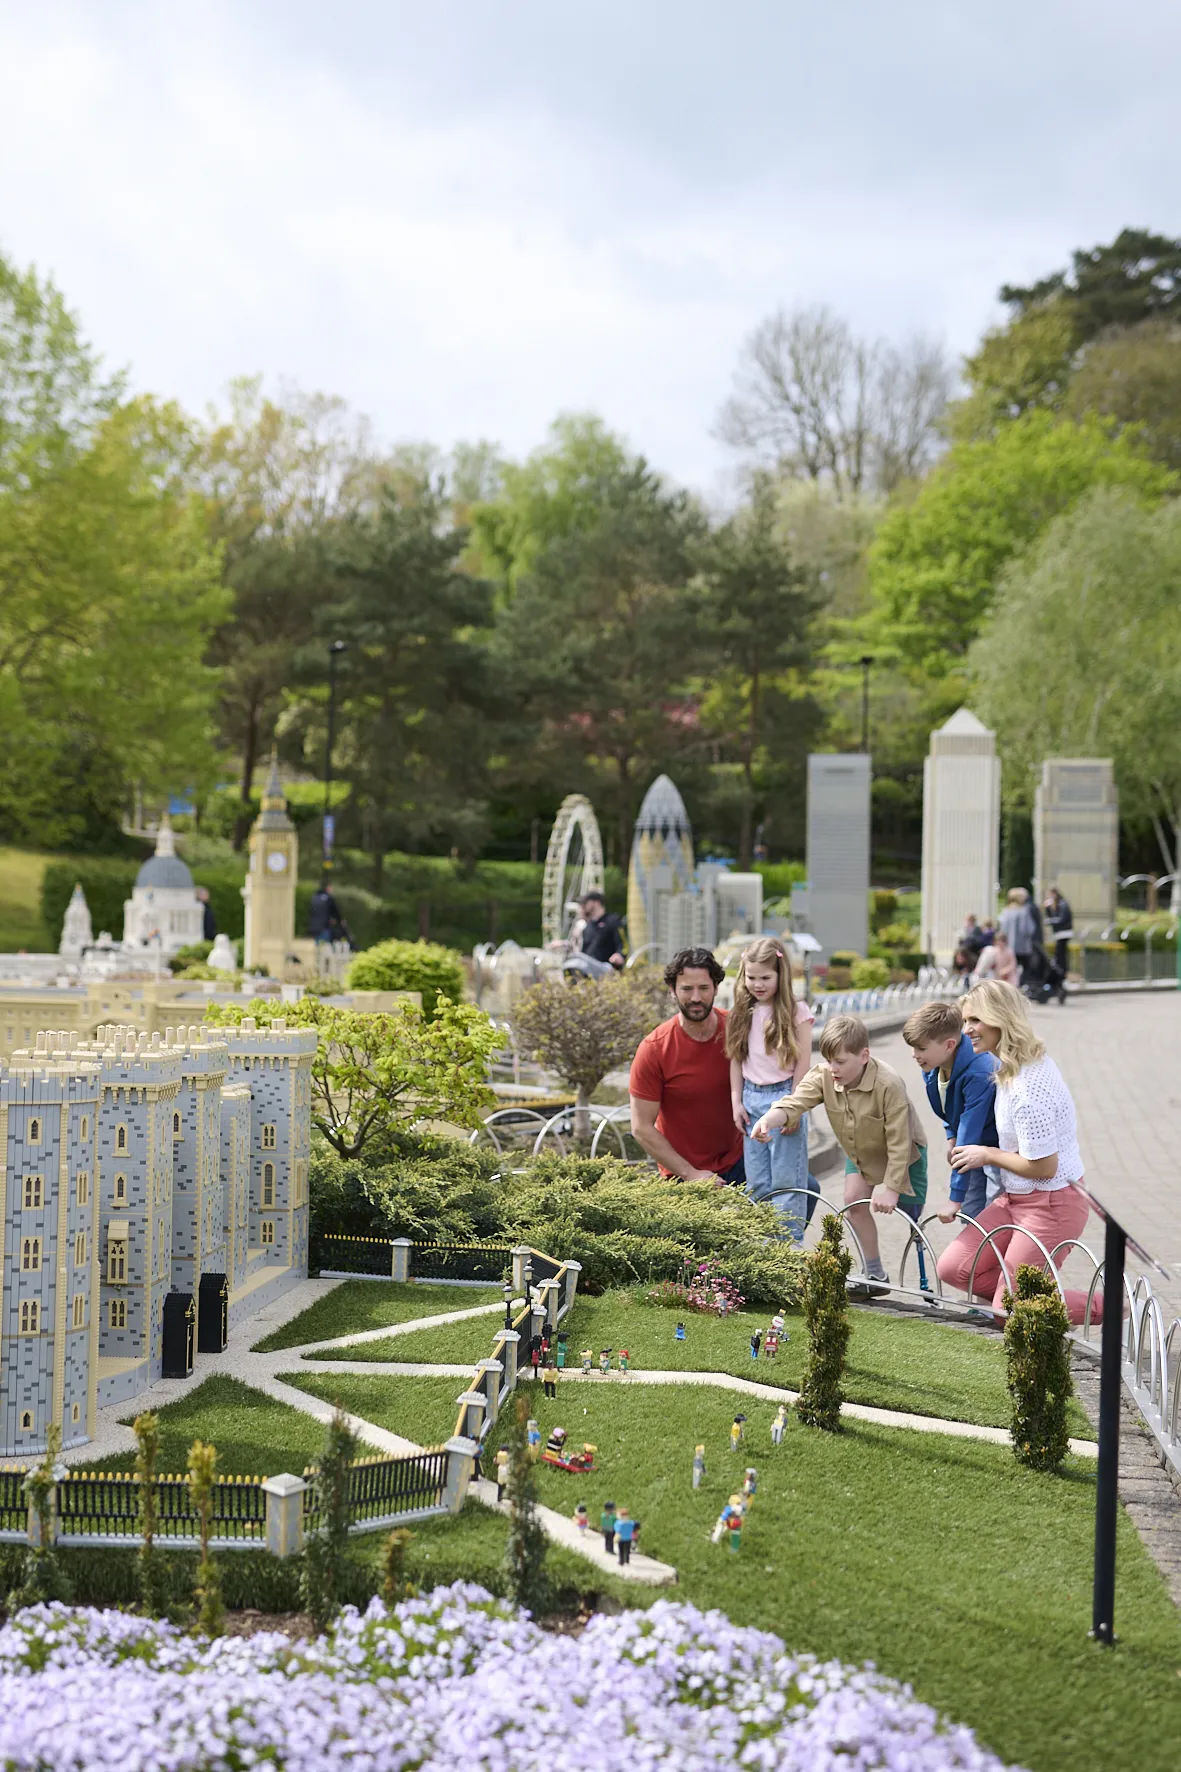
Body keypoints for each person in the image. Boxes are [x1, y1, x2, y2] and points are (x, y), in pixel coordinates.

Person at [936, 979, 1102, 1324]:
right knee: (953, 1268)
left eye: (975, 1020)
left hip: (1052, 1204)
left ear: (1001, 1018)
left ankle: (1114, 1306)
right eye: (966, 1021)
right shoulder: (1010, 1067)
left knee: (1007, 1311)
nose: (967, 1030)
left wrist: (987, 1154)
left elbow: (1043, 1167)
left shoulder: (1028, 1087)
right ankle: (1023, 1297)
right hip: (1014, 1199)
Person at [751, 1014, 927, 1295]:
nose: (833, 1068)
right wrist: (768, 1120)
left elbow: (900, 1141)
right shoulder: (824, 1075)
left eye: (841, 1062)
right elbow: (795, 1103)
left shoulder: (889, 1083)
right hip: (861, 1151)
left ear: (864, 1055)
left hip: (906, 1153)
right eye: (829, 1060)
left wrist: (892, 1189)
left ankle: (925, 1277)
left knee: (912, 1215)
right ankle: (875, 1274)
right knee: (853, 1201)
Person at [725, 936, 815, 1242]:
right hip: (751, 1099)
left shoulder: (796, 1012)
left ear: (780, 973)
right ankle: (763, 1248)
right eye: (751, 977)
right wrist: (736, 1101)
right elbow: (736, 1059)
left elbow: (803, 1064)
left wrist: (794, 1108)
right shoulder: (742, 1012)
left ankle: (787, 1247)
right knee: (758, 1182)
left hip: (783, 1097)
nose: (758, 984)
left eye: (765, 978)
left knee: (786, 1181)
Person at [630, 948, 744, 1184]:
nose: (696, 998)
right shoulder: (654, 1048)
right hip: (683, 1173)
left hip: (741, 1161)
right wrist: (691, 1174)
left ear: (716, 988)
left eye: (703, 988)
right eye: (686, 989)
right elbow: (641, 1127)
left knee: (806, 1188)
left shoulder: (738, 1030)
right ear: (672, 991)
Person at [903, 999, 999, 1224]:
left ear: (949, 1045)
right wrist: (951, 1136)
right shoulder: (933, 1065)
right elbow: (950, 1107)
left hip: (998, 1151)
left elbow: (969, 1131)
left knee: (995, 1214)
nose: (914, 1055)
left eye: (921, 1048)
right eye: (913, 1048)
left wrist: (954, 1198)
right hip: (972, 1147)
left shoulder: (978, 1073)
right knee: (972, 1215)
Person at [576, 891, 624, 968]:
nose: (584, 905)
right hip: (588, 968)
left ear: (596, 903)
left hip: (606, 968)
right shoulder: (588, 926)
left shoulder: (612, 920)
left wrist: (619, 955)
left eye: (586, 902)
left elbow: (622, 943)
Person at [999, 888, 1037, 986]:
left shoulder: (1006, 911)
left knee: (1011, 968)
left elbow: (1002, 929)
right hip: (1023, 947)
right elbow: (1028, 929)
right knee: (1026, 967)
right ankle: (1022, 986)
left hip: (1009, 946)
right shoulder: (1023, 911)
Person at [1044, 887, 1074, 978]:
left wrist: (1049, 921)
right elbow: (1052, 916)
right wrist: (1048, 908)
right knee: (1060, 953)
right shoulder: (1057, 904)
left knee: (1060, 954)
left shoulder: (1063, 904)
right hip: (1059, 933)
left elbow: (1061, 919)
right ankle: (1061, 972)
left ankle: (1062, 972)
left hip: (1064, 932)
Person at [308, 879, 345, 944]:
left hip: (313, 927)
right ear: (328, 888)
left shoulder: (315, 897)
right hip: (324, 927)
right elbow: (336, 911)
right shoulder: (328, 898)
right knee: (324, 946)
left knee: (318, 945)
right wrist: (340, 920)